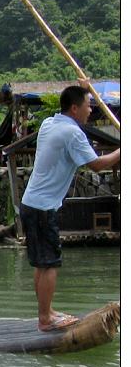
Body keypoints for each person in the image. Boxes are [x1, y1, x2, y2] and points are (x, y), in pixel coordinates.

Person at [20, 84, 121, 331]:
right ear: (75, 108)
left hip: (30, 203)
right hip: (42, 208)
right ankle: (45, 319)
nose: (91, 110)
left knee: (42, 264)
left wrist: (84, 88)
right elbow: (97, 165)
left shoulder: (49, 124)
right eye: (88, 105)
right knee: (50, 263)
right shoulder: (71, 133)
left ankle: (47, 312)